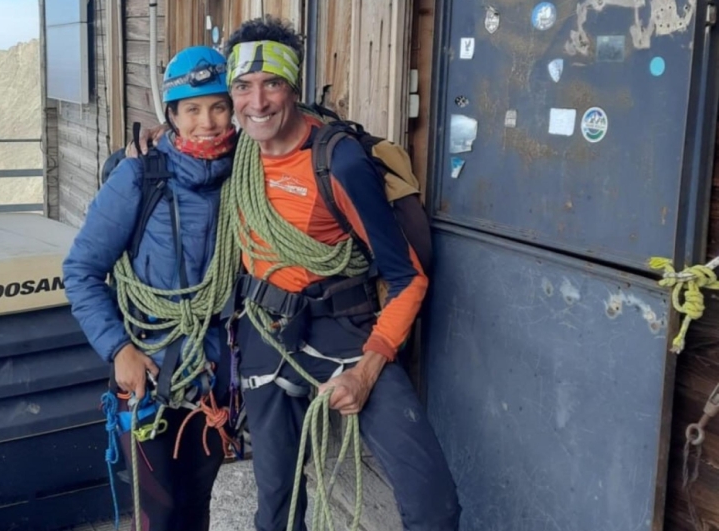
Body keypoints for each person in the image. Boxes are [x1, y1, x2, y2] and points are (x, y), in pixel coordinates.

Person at [221, 16, 462, 531]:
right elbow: (186, 139)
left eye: (273, 84)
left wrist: (366, 370)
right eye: (243, 86)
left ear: (295, 86)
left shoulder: (339, 162)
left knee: (433, 506)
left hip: (346, 332)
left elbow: (408, 279)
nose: (257, 103)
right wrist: (143, 144)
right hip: (266, 331)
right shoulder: (236, 149)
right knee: (277, 511)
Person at [62, 45, 242, 531]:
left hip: (211, 381)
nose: (208, 121)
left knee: (195, 508)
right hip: (146, 377)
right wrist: (118, 349)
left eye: (219, 106)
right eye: (193, 109)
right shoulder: (139, 177)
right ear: (172, 116)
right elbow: (80, 271)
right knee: (159, 513)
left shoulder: (245, 177)